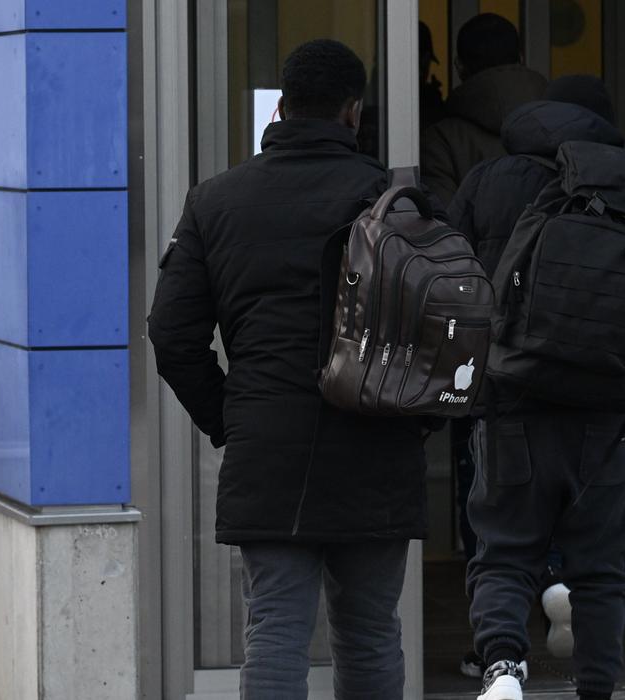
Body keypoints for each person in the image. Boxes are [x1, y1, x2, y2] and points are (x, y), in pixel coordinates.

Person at [149, 39, 430, 698]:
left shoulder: (215, 201)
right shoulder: (395, 204)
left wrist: (230, 417)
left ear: (281, 106)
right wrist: (417, 420)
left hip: (267, 442)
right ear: (353, 113)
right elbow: (439, 331)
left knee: (273, 625)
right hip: (376, 439)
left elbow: (170, 334)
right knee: (368, 630)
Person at [453, 76, 625, 700]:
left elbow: (451, 285)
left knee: (504, 549)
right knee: (602, 571)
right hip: (610, 415)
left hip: (511, 405)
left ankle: (504, 669)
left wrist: (460, 392)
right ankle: (595, 688)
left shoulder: (489, 180)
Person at [420, 13, 547, 206]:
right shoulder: (564, 127)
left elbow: (442, 226)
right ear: (521, 58)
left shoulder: (441, 141)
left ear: (459, 67)